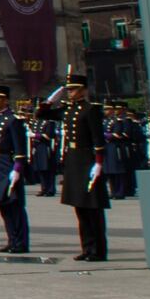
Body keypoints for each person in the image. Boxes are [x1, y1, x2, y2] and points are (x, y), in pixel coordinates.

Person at [58, 70, 109, 262]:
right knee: (80, 207)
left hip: (87, 159)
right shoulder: (68, 110)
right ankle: (87, 247)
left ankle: (98, 250)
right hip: (73, 160)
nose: (70, 93)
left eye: (74, 90)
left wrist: (98, 162)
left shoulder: (91, 110)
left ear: (83, 90)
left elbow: (98, 139)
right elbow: (42, 113)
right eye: (69, 90)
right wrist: (51, 98)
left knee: (93, 208)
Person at [0, 84, 30, 255]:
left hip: (8, 163)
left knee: (14, 205)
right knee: (3, 205)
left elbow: (20, 148)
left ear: (5, 100)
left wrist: (17, 168)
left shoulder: (13, 120)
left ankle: (21, 242)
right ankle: (11, 240)